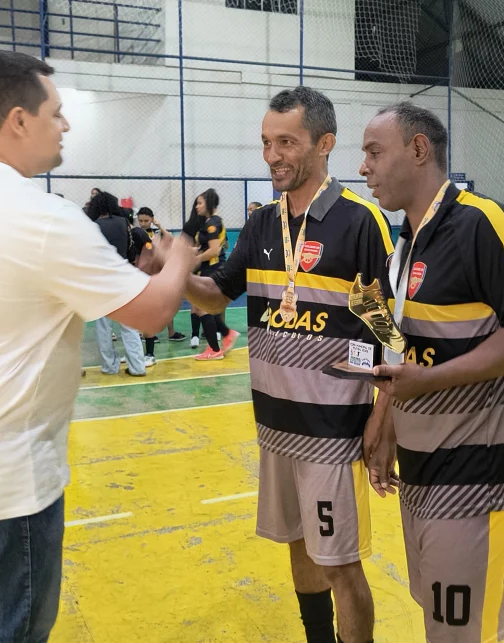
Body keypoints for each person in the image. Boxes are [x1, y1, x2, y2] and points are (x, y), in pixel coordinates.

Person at [0, 49, 196, 643]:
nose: (66, 125)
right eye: (57, 112)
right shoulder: (43, 217)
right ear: (19, 120)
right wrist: (178, 258)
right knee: (13, 629)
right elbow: (153, 313)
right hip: (4, 474)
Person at [185, 86, 392, 643]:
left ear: (324, 144)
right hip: (276, 425)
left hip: (333, 429)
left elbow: (384, 330)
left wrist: (384, 417)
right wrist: (174, 273)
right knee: (298, 545)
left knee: (340, 563)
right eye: (266, 142)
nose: (271, 155)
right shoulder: (261, 224)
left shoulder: (359, 222)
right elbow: (216, 294)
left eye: (286, 142)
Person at [358, 102, 504, 642]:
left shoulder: (483, 222)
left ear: (418, 149)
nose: (363, 167)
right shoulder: (406, 242)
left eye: (374, 152)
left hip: (479, 475)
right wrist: (386, 419)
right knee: (441, 625)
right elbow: (406, 349)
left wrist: (428, 382)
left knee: (463, 634)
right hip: (421, 470)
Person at [87, 192, 148, 377]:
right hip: (124, 278)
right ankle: (138, 367)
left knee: (104, 328)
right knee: (129, 326)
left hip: (103, 281)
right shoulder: (123, 222)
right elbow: (131, 251)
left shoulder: (93, 226)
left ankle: (109, 366)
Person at [183, 189, 238, 361]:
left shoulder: (213, 222)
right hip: (207, 270)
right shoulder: (208, 222)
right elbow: (206, 247)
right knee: (204, 308)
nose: (197, 206)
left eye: (200, 203)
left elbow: (214, 250)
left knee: (202, 308)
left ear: (209, 203)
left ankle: (216, 348)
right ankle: (225, 336)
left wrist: (197, 258)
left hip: (213, 270)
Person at [136, 206, 185, 346]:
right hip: (143, 274)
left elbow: (171, 239)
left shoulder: (157, 233)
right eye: (141, 221)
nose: (143, 223)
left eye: (146, 220)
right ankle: (146, 333)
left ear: (152, 219)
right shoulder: (136, 233)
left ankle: (171, 332)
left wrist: (159, 226)